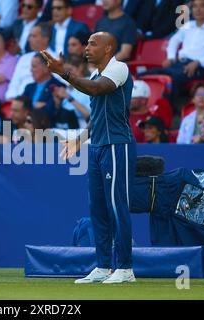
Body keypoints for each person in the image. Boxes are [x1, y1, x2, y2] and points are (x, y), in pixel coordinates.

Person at [41, 31, 137, 284]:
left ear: (108, 49)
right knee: (98, 209)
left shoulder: (119, 69)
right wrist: (79, 140)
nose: (86, 47)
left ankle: (125, 268)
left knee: (117, 207)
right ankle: (104, 266)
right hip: (97, 147)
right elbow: (96, 119)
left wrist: (65, 73)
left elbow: (95, 90)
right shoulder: (96, 74)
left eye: (93, 44)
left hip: (117, 145)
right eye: (86, 43)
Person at [139, 0, 204, 105]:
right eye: (194, 6)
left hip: (197, 69)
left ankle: (166, 110)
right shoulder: (188, 25)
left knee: (171, 79)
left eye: (202, 6)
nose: (198, 9)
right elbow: (173, 41)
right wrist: (171, 57)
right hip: (178, 64)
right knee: (145, 75)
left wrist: (199, 62)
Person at [5, 22, 56, 101]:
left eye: (34, 36)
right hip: (17, 101)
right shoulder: (24, 58)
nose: (29, 39)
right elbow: (13, 84)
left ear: (46, 39)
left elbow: (55, 85)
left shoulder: (55, 59)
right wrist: (11, 98)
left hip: (39, 101)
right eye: (30, 36)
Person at [23, 53, 65, 125]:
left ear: (46, 68)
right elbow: (22, 107)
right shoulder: (29, 87)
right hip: (26, 125)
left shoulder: (58, 86)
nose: (31, 70)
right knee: (7, 124)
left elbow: (50, 111)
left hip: (47, 129)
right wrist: (40, 106)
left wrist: (42, 107)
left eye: (34, 66)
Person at [54, 54, 91, 129]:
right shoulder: (68, 88)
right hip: (64, 127)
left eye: (70, 70)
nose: (67, 74)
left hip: (83, 129)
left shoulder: (90, 83)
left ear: (80, 67)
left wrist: (69, 97)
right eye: (65, 71)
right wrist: (57, 101)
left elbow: (88, 115)